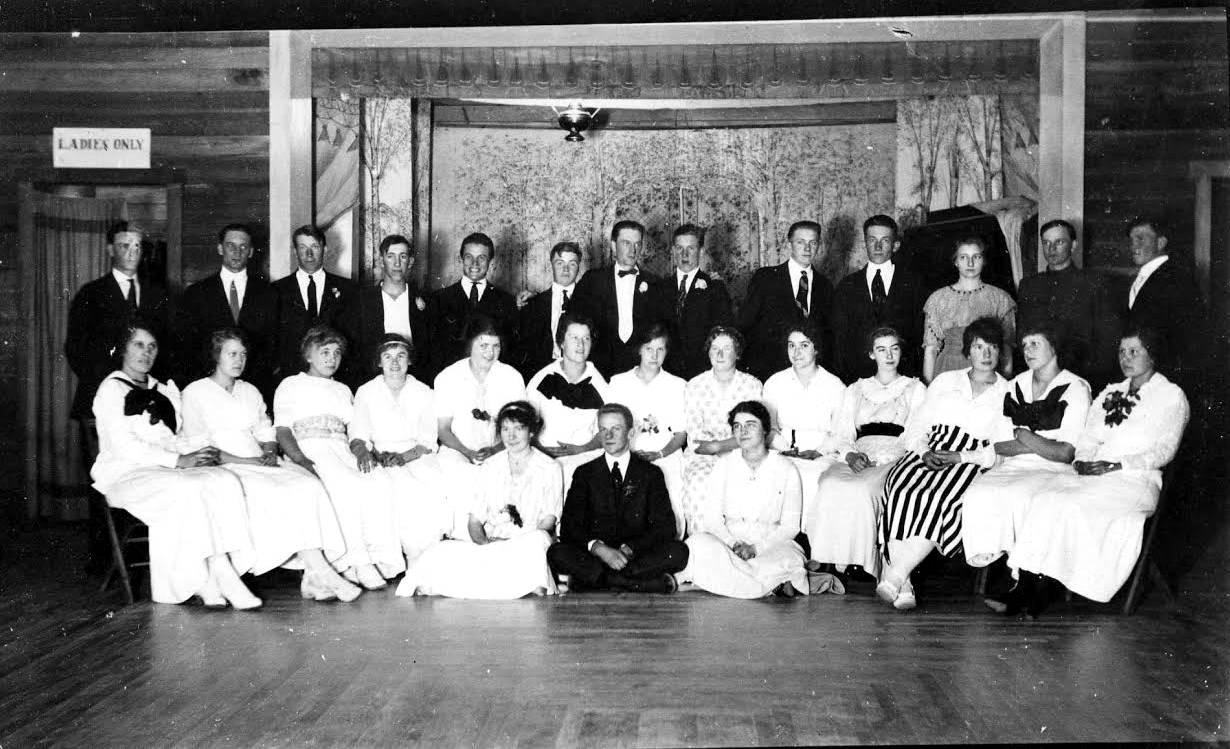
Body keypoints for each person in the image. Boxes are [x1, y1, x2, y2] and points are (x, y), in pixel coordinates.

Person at [1003, 328, 1189, 614]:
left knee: (1071, 505)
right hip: (1093, 473)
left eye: (1134, 352)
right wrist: (1082, 462)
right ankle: (1026, 584)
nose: (1125, 359)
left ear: (1152, 354)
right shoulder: (1111, 392)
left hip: (1134, 479)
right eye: (1121, 352)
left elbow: (1165, 450)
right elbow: (1088, 437)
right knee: (1044, 499)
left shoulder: (1170, 395)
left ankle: (1045, 587)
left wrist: (1117, 465)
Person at [180, 328, 361, 603]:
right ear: (216, 356)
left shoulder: (248, 390)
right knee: (271, 492)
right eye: (232, 353)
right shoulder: (195, 392)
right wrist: (249, 460)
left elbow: (266, 430)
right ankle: (320, 570)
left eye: (243, 354)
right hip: (223, 466)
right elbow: (200, 447)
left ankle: (313, 574)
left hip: (258, 461)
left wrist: (267, 450)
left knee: (307, 484)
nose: (239, 360)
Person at [89, 319, 261, 608]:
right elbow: (124, 446)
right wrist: (179, 460)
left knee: (223, 479)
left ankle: (217, 574)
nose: (146, 353)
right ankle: (214, 574)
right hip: (126, 473)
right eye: (138, 345)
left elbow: (175, 437)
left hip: (165, 468)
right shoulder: (111, 390)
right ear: (123, 349)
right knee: (186, 489)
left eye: (152, 346)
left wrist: (198, 452)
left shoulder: (164, 389)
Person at [878, 317, 1012, 610]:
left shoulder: (1008, 392)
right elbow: (918, 425)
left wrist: (962, 457)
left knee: (939, 496)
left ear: (1000, 352)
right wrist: (923, 451)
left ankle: (896, 575)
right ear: (968, 351)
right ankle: (905, 582)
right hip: (932, 449)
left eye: (992, 347)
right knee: (900, 486)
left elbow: (1001, 448)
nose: (986, 354)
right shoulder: (945, 381)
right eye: (978, 347)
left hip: (970, 459)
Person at [961, 324, 1092, 611]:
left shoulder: (1077, 388)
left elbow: (1065, 452)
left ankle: (1027, 583)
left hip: (1053, 471)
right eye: (1025, 344)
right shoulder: (1015, 385)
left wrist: (1024, 435)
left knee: (1029, 499)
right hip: (1014, 465)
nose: (1028, 350)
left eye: (1036, 343)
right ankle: (1010, 571)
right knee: (979, 494)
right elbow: (999, 444)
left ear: (1054, 346)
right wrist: (1038, 442)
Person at [273, 325, 405, 591]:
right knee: (346, 485)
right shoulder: (291, 384)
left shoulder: (343, 389)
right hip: (310, 449)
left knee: (378, 480)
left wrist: (362, 451)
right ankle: (356, 561)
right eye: (324, 352)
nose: (331, 359)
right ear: (308, 355)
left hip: (341, 449)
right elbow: (283, 430)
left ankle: (376, 558)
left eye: (336, 353)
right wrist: (300, 459)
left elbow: (356, 429)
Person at [396, 401, 562, 599]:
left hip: (526, 541)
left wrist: (512, 543)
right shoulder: (490, 466)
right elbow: (474, 522)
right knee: (442, 550)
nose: (511, 436)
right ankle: (510, 581)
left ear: (532, 432)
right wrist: (486, 545)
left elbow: (548, 521)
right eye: (505, 429)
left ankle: (507, 580)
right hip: (490, 544)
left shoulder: (549, 467)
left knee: (536, 542)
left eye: (519, 428)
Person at [811, 327, 925, 579]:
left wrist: (895, 455)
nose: (889, 355)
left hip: (895, 457)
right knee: (829, 483)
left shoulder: (914, 388)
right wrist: (850, 455)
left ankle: (863, 562)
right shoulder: (856, 389)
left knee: (864, 490)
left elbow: (917, 431)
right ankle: (830, 559)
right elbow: (843, 432)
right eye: (881, 349)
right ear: (871, 354)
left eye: (894, 348)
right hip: (858, 455)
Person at [547, 404, 689, 593]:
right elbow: (569, 527)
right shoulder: (584, 473)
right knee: (556, 553)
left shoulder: (651, 473)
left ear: (631, 433)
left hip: (634, 556)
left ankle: (590, 582)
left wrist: (628, 549)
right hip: (596, 557)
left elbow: (665, 527)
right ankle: (641, 583)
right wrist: (599, 549)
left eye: (616, 429)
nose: (608, 436)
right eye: (603, 430)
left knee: (679, 551)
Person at [683, 401, 809, 598]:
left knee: (788, 559)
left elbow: (790, 526)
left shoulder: (786, 468)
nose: (743, 431)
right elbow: (712, 519)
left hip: (770, 544)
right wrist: (732, 544)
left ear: (766, 430)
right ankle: (765, 585)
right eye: (737, 426)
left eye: (750, 424)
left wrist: (756, 548)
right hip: (730, 543)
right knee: (697, 544)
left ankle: (720, 581)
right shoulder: (724, 465)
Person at [350, 334, 453, 565]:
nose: (394, 363)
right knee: (386, 490)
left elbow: (427, 439)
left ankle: (424, 558)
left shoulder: (424, 392)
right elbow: (358, 434)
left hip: (416, 456)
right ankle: (391, 561)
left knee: (427, 488)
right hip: (379, 457)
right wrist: (370, 453)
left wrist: (403, 457)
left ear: (410, 360)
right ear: (379, 362)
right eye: (387, 357)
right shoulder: (366, 391)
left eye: (401, 356)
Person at [67, 221, 170, 421]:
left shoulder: (158, 294)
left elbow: (166, 345)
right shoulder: (91, 293)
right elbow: (75, 349)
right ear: (110, 249)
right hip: (101, 397)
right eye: (125, 246)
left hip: (148, 401)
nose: (132, 253)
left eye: (137, 246)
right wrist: (112, 384)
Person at [432, 315, 527, 532]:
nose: (490, 353)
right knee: (463, 478)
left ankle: (498, 535)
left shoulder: (512, 377)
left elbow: (519, 429)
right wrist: (467, 452)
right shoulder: (448, 377)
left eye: (496, 346)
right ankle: (464, 537)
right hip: (457, 450)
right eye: (483, 345)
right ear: (470, 345)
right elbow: (443, 430)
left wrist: (496, 450)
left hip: (503, 449)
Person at [176, 223, 278, 403]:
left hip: (256, 387)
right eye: (231, 246)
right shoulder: (197, 293)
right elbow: (187, 345)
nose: (237, 252)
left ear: (251, 252)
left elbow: (273, 342)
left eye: (243, 246)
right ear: (220, 248)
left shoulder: (268, 293)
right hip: (209, 387)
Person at [606, 323, 688, 537]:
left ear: (667, 353)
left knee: (667, 505)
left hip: (664, 454)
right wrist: (627, 454)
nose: (654, 355)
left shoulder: (677, 385)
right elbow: (609, 429)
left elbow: (681, 434)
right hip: (625, 453)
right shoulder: (618, 382)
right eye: (649, 348)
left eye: (660, 349)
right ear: (639, 350)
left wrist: (659, 454)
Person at [680, 326, 763, 536]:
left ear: (737, 353)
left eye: (727, 348)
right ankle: (701, 548)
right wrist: (715, 448)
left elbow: (753, 432)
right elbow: (695, 439)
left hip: (743, 454)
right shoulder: (695, 385)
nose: (719, 354)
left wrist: (719, 445)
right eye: (714, 348)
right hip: (703, 457)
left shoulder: (751, 385)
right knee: (700, 484)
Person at [761, 321, 846, 525]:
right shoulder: (775, 383)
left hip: (823, 454)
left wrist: (819, 452)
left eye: (804, 345)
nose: (796, 352)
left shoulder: (835, 385)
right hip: (784, 450)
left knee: (817, 483)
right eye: (792, 345)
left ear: (816, 348)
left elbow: (841, 431)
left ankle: (813, 544)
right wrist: (786, 449)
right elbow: (769, 428)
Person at [570, 220, 672, 378]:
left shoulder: (656, 284)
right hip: (599, 371)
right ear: (613, 245)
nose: (633, 250)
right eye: (626, 243)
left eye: (637, 244)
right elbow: (574, 323)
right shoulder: (592, 280)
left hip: (641, 373)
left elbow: (663, 333)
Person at [830, 215, 926, 381]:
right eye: (872, 239)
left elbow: (919, 336)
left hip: (902, 378)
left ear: (896, 245)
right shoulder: (847, 286)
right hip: (858, 380)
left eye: (885, 240)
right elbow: (839, 341)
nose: (878, 246)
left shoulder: (913, 284)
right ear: (865, 243)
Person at [738, 220, 834, 382]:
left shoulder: (825, 285)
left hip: (809, 376)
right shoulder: (766, 278)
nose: (807, 248)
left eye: (813, 243)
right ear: (789, 244)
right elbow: (745, 325)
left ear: (819, 246)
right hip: (769, 372)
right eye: (800, 242)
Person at [526, 313, 609, 489]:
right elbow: (525, 425)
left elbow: (607, 431)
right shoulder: (541, 379)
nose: (581, 345)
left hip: (586, 459)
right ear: (561, 342)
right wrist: (543, 450)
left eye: (586, 338)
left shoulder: (601, 385)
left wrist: (581, 449)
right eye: (574, 338)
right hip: (545, 459)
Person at [1122, 216, 1203, 388]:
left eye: (1141, 239)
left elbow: (1185, 339)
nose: (1133, 245)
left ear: (1160, 243)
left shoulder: (1176, 278)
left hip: (1166, 379)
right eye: (1131, 240)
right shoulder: (1144, 277)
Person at [1014, 220, 1099, 385]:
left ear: (1073, 245)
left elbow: (1098, 339)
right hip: (1036, 376)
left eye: (1059, 242)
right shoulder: (1029, 285)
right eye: (1046, 243)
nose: (1051, 249)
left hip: (1078, 375)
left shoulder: (1090, 283)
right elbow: (1021, 333)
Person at [921, 235, 1016, 383]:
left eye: (976, 257)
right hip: (948, 369)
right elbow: (931, 350)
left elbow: (1007, 348)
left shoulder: (1000, 298)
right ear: (956, 262)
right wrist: (928, 386)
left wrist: (1005, 382)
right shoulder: (937, 299)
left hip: (987, 369)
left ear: (983, 261)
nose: (970, 263)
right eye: (964, 257)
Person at [341, 234, 431, 387]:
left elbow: (431, 351)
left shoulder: (427, 301)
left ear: (410, 262)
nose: (397, 263)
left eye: (403, 256)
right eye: (391, 256)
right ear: (382, 260)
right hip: (373, 383)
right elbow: (354, 350)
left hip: (415, 382)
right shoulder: (362, 301)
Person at [271, 225, 355, 386]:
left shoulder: (348, 289)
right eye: (303, 247)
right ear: (295, 251)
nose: (309, 254)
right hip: (290, 379)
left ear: (325, 249)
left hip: (335, 378)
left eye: (314, 247)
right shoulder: (277, 290)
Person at [426, 232, 518, 377]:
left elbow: (509, 351)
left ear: (490, 262)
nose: (475, 264)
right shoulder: (439, 299)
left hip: (491, 382)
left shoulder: (506, 301)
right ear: (461, 259)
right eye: (469, 257)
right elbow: (433, 351)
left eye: (481, 258)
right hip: (452, 381)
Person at [666, 224, 734, 381]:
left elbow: (722, 333)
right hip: (667, 373)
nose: (684, 254)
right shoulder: (660, 287)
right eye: (679, 248)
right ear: (673, 251)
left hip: (702, 372)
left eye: (690, 248)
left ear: (701, 251)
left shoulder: (715, 287)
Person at [514, 240, 583, 380]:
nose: (565, 269)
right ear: (551, 265)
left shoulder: (589, 302)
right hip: (541, 375)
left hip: (577, 375)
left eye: (572, 264)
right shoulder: (533, 303)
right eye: (560, 263)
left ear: (579, 267)